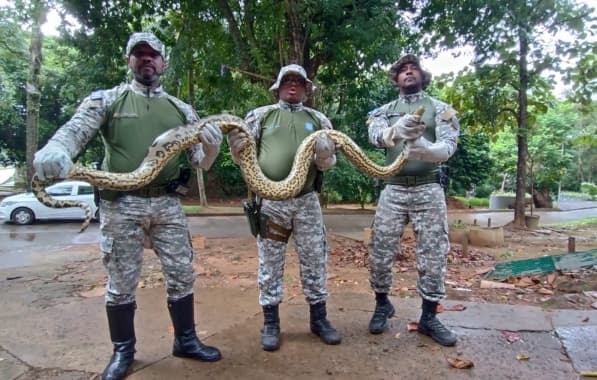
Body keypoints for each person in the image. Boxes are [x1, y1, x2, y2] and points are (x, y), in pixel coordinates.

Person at [33, 32, 223, 379]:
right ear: (129, 61)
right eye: (139, 54)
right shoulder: (108, 100)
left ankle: (186, 340)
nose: (146, 59)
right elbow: (75, 131)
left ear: (163, 62)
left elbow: (200, 161)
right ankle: (123, 351)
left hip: (167, 203)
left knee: (182, 274)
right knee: (121, 281)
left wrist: (211, 147)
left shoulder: (182, 109)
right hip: (121, 205)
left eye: (153, 54)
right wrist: (56, 149)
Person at [227, 64, 342, 351]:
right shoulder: (260, 115)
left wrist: (326, 157)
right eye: (287, 81)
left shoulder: (318, 119)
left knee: (315, 259)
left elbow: (328, 163)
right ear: (277, 87)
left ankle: (319, 320)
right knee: (270, 263)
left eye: (299, 82)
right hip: (271, 203)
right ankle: (271, 323)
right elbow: (242, 157)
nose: (293, 85)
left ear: (306, 88)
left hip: (306, 202)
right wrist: (235, 146)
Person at [366, 54, 460, 346]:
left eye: (414, 68)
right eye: (403, 70)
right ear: (395, 79)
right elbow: (374, 136)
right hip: (392, 188)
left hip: (428, 188)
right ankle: (382, 304)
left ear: (422, 75)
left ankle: (429, 317)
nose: (408, 72)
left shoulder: (442, 109)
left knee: (432, 255)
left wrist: (423, 148)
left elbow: (448, 147)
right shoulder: (382, 111)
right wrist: (394, 132)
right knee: (380, 251)